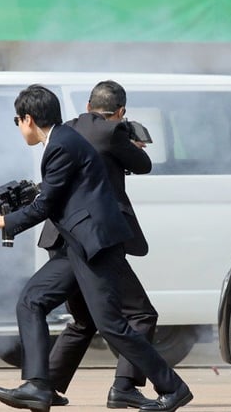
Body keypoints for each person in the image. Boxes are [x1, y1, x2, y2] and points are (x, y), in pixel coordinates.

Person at [0, 85, 192, 412]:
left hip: (94, 245)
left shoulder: (61, 146)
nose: (19, 127)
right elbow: (55, 195)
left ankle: (173, 388)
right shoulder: (63, 140)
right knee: (32, 301)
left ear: (28, 119)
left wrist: (5, 223)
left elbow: (46, 205)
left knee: (111, 325)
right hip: (76, 245)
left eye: (17, 120)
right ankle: (38, 387)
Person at [45, 80, 157, 408]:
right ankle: (124, 386)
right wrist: (131, 145)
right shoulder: (112, 132)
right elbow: (143, 166)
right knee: (141, 314)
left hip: (61, 238)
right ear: (120, 112)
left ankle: (45, 385)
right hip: (95, 242)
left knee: (84, 320)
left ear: (88, 105)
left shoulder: (65, 129)